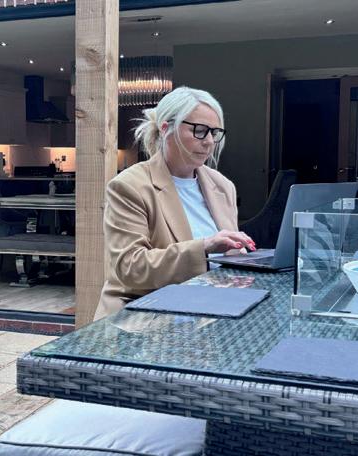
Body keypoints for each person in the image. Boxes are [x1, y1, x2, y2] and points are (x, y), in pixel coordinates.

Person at [95, 87, 256, 320]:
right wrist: (204, 247)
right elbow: (131, 268)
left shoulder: (222, 186)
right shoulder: (129, 186)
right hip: (147, 315)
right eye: (199, 130)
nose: (209, 141)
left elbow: (227, 256)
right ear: (165, 129)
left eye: (215, 132)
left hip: (212, 309)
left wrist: (243, 257)